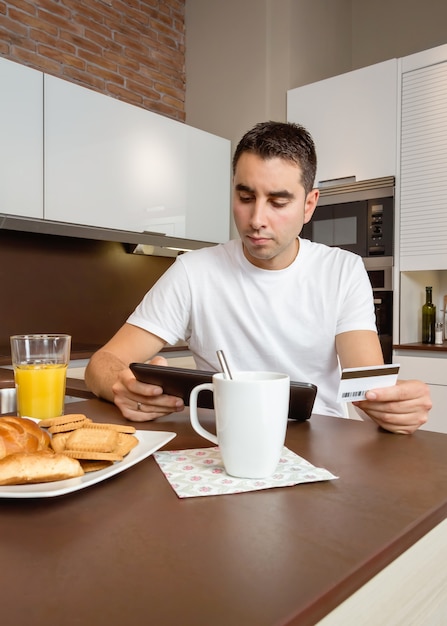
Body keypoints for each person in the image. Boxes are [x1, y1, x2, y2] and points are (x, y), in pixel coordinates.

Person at [85, 121, 431, 434]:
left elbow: (366, 387)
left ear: (309, 205)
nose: (256, 219)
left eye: (278, 202)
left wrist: (395, 407)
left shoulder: (343, 270)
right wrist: (124, 387)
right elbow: (102, 363)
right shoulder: (193, 271)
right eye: (245, 197)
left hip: (322, 443)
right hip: (222, 442)